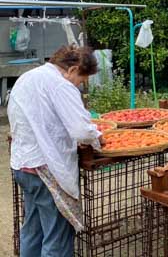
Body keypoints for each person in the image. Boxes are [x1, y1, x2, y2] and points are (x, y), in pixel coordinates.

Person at [9, 45, 104, 257]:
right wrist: (97, 137)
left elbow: (42, 119)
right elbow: (81, 129)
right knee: (57, 237)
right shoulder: (61, 85)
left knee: (33, 230)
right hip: (47, 170)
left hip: (23, 165)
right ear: (73, 69)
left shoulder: (28, 77)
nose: (79, 85)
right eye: (81, 80)